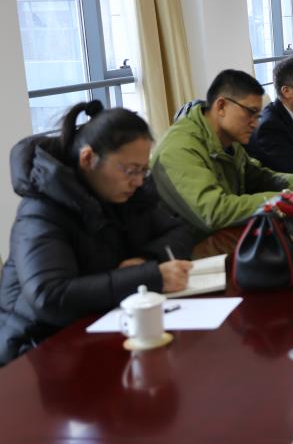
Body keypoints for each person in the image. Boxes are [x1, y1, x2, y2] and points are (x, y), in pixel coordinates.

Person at [0, 102, 194, 365]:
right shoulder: (41, 210)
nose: (138, 181)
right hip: (35, 351)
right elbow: (50, 297)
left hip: (101, 327)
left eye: (143, 170)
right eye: (130, 170)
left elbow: (179, 229)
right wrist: (149, 277)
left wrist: (147, 260)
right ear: (88, 158)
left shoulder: (128, 194)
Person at [152, 69, 293, 237]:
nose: (255, 124)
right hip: (190, 252)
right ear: (221, 106)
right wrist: (285, 199)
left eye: (258, 115)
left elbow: (257, 175)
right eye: (250, 113)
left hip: (228, 237)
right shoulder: (179, 148)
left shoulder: (227, 138)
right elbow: (214, 212)